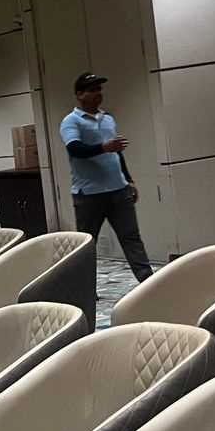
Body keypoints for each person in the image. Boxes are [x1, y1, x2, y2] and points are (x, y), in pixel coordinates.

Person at [59, 73, 153, 282]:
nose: (98, 94)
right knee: (86, 245)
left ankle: (148, 283)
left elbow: (116, 153)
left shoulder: (108, 119)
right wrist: (104, 147)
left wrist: (129, 179)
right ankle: (84, 289)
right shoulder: (71, 121)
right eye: (92, 90)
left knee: (131, 238)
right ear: (79, 94)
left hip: (119, 190)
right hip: (89, 195)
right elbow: (75, 149)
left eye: (99, 89)